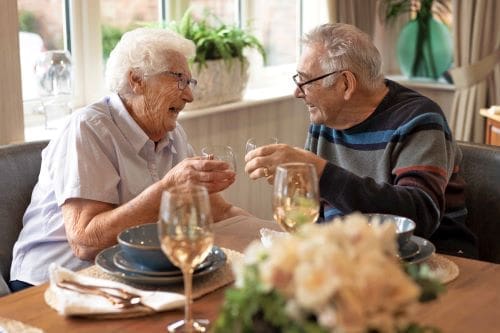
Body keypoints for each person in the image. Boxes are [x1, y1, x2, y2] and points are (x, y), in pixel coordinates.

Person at [10, 28, 249, 291]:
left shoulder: (173, 134)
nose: (189, 96)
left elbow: (221, 212)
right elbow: (86, 241)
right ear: (137, 80)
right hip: (55, 283)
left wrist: (276, 239)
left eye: (190, 83)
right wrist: (168, 189)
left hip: (131, 276)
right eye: (179, 79)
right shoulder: (89, 128)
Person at [245, 23, 478, 258]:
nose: (297, 92)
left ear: (346, 84)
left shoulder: (418, 120)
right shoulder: (324, 122)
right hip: (353, 259)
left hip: (433, 263)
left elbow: (418, 216)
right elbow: (312, 217)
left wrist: (320, 172)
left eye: (305, 82)